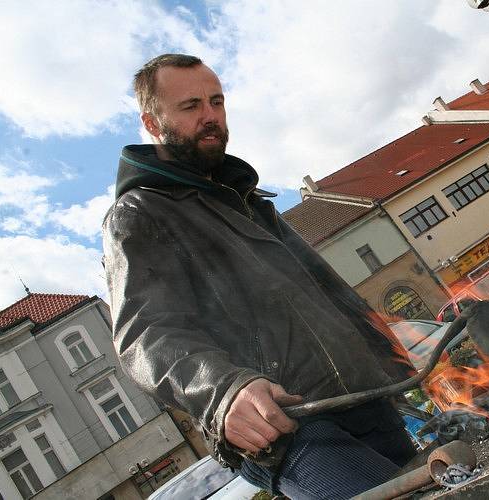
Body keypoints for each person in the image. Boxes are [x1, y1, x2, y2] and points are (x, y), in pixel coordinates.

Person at [103, 54, 417, 499]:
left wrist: (391, 358)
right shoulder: (139, 213)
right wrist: (224, 391)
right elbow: (145, 333)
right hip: (286, 428)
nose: (210, 116)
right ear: (153, 124)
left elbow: (327, 293)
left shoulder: (248, 200)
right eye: (191, 106)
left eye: (217, 101)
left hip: (365, 401)